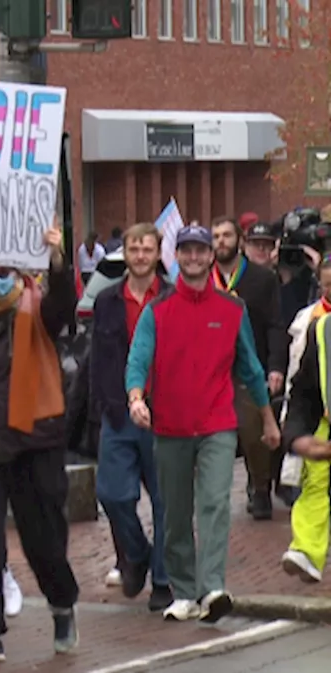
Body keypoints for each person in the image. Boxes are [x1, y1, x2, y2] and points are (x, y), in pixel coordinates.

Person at [126, 225, 281, 622]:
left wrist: (267, 419)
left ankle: (212, 587)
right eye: (186, 251)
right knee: (176, 514)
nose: (194, 257)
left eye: (201, 251)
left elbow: (250, 367)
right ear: (176, 257)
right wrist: (136, 397)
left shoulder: (232, 309)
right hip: (171, 427)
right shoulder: (157, 311)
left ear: (212, 256)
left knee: (214, 503)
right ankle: (184, 590)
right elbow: (138, 359)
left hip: (217, 424)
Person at [0, 222, 79, 665]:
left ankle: (62, 604)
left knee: (42, 539)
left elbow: (63, 305)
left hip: (34, 442)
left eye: (5, 269)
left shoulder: (38, 308)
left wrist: (58, 261)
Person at [89, 223, 174, 613]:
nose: (140, 256)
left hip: (164, 413)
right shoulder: (107, 300)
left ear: (158, 254)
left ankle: (162, 579)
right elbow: (99, 360)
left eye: (147, 249)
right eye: (134, 249)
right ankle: (136, 554)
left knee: (164, 499)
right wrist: (102, 407)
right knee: (112, 494)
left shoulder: (173, 297)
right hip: (118, 413)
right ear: (125, 253)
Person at [209, 216, 287, 521]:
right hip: (213, 370)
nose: (221, 242)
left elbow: (274, 325)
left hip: (249, 367)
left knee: (254, 430)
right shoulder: (202, 278)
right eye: (215, 237)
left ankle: (260, 486)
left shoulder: (261, 279)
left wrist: (275, 367)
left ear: (239, 240)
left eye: (226, 235)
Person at [278, 258, 331, 583]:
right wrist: (296, 435)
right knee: (314, 480)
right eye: (329, 286)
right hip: (325, 422)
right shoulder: (321, 329)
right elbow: (303, 390)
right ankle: (307, 551)